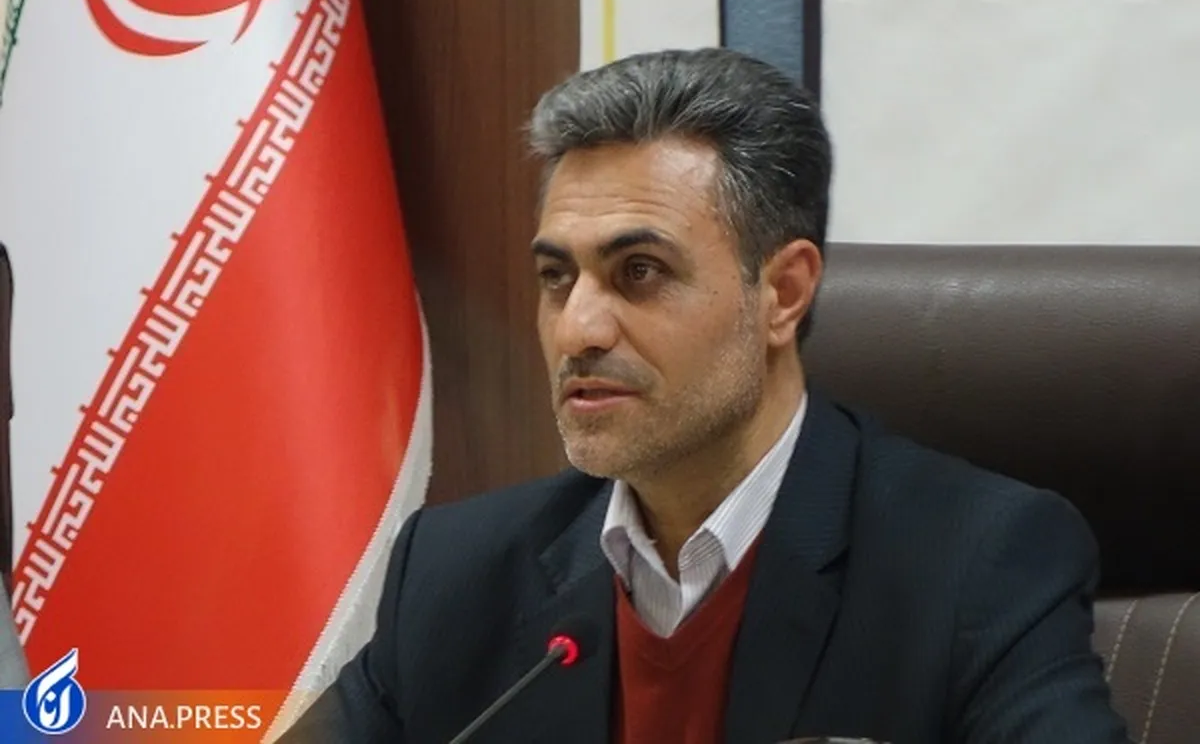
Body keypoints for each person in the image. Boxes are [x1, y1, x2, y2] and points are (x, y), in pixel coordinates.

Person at [280, 48, 1129, 743]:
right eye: (556, 277)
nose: (578, 329)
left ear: (783, 292)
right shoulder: (458, 574)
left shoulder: (977, 565)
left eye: (639, 272)